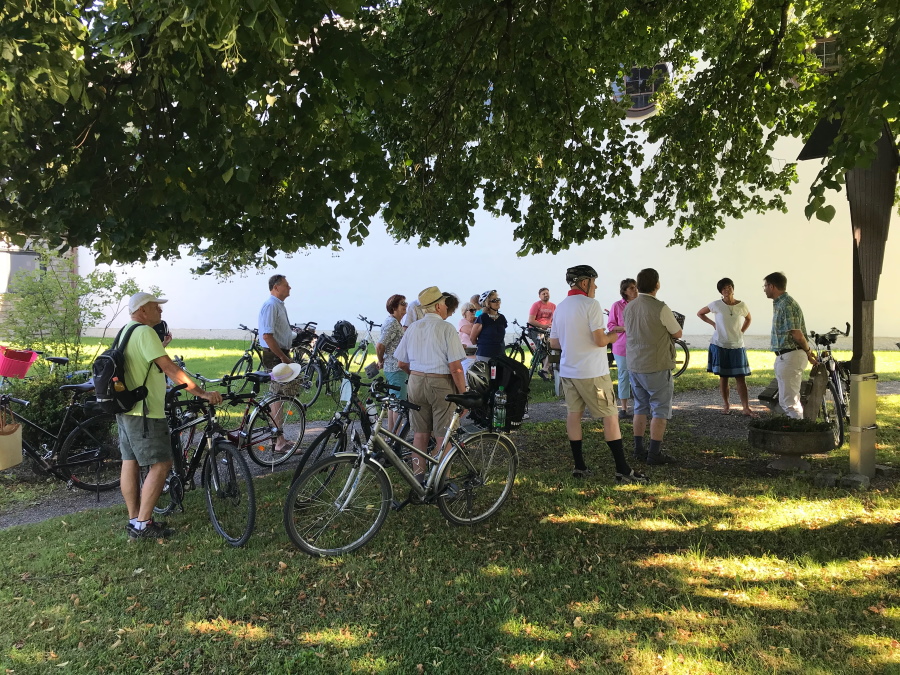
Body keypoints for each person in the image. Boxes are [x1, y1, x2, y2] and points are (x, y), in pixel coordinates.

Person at [119, 292, 223, 539]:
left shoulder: (127, 330)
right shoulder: (145, 332)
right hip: (145, 413)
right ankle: (144, 525)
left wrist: (161, 347)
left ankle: (134, 520)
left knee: (130, 462)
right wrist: (201, 393)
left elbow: (141, 362)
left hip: (126, 410)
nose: (161, 312)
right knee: (162, 463)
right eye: (156, 307)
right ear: (143, 311)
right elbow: (171, 369)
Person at [549, 265, 647, 484]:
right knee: (610, 416)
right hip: (592, 372)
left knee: (574, 415)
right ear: (584, 283)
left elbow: (554, 342)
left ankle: (579, 467)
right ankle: (622, 470)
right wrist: (613, 335)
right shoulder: (591, 305)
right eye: (594, 281)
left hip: (568, 371)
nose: (596, 286)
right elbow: (600, 340)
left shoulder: (561, 307)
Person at [394, 286, 467, 479]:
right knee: (443, 435)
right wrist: (463, 393)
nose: (445, 307)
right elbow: (455, 367)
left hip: (416, 382)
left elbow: (401, 362)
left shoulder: (413, 328)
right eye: (443, 304)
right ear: (437, 307)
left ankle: (418, 477)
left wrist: (418, 374)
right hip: (441, 383)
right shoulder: (446, 328)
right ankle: (442, 480)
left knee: (420, 434)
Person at [624, 268, 683, 465]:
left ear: (638, 286)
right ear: (657, 285)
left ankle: (638, 449)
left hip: (634, 363)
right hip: (656, 364)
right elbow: (677, 333)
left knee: (640, 406)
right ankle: (654, 452)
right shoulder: (661, 308)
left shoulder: (629, 307)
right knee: (660, 408)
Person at [697, 277, 756, 416]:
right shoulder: (716, 304)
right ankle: (726, 405)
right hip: (720, 344)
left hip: (737, 345)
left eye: (729, 287)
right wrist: (713, 324)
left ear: (733, 289)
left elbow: (748, 318)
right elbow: (700, 313)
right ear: (720, 292)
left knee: (740, 377)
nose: (726, 290)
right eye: (723, 288)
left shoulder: (741, 305)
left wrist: (742, 331)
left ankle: (746, 407)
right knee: (723, 376)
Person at [763, 272, 817, 419]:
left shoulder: (786, 304)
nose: (764, 289)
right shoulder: (781, 303)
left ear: (772, 286)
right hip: (785, 356)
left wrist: (808, 351)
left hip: (790, 355)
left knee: (790, 402)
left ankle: (800, 432)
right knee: (787, 400)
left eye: (765, 285)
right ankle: (795, 429)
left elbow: (796, 334)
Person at [377, 294, 409, 432]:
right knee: (398, 404)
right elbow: (380, 346)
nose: (405, 306)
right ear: (394, 307)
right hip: (396, 369)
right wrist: (380, 360)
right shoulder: (392, 323)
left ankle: (392, 435)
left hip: (394, 368)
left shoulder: (394, 322)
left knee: (393, 403)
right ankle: (396, 439)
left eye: (405, 303)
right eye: (402, 303)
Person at [607, 278, 637, 419]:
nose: (635, 290)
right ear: (624, 291)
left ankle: (641, 407)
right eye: (631, 288)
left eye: (635, 287)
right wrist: (625, 328)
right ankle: (624, 409)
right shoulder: (617, 306)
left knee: (639, 377)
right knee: (624, 376)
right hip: (622, 347)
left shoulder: (641, 304)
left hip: (640, 346)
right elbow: (611, 326)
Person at [258, 274, 293, 369]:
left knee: (290, 383)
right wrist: (282, 357)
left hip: (280, 354)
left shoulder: (278, 304)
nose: (289, 287)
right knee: (281, 383)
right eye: (286, 285)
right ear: (276, 287)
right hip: (275, 356)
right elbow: (267, 336)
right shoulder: (271, 305)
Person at [470, 290, 508, 362]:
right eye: (494, 300)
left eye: (498, 299)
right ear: (487, 303)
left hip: (500, 355)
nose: (497, 302)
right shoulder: (482, 318)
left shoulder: (502, 318)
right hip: (484, 355)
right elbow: (472, 338)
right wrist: (482, 347)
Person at [527, 288, 556, 378]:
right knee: (543, 349)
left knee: (551, 349)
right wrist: (543, 326)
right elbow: (531, 320)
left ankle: (546, 371)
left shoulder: (553, 306)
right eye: (543, 294)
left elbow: (555, 320)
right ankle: (547, 373)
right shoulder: (536, 305)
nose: (546, 295)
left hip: (547, 331)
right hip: (535, 330)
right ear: (539, 296)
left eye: (547, 293)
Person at [457, 301, 478, 375]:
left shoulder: (477, 321)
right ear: (464, 312)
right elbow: (472, 332)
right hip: (467, 356)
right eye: (471, 310)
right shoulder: (462, 322)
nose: (474, 312)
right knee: (467, 377)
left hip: (477, 355)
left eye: (475, 310)